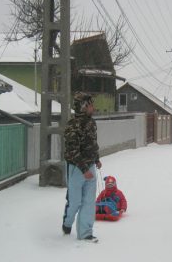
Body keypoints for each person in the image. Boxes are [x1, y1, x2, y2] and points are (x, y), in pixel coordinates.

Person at [62, 92, 102, 243]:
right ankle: (67, 223)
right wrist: (84, 169)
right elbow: (72, 150)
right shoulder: (73, 125)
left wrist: (96, 159)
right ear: (83, 107)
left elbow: (92, 144)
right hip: (76, 169)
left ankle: (85, 233)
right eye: (91, 105)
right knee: (75, 202)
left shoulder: (92, 123)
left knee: (89, 202)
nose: (93, 108)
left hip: (90, 166)